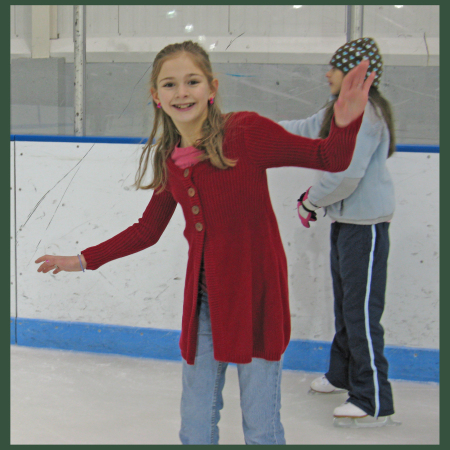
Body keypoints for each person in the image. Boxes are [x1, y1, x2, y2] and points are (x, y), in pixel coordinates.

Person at [36, 40, 374, 444]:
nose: (182, 92)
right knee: (195, 426)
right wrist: (82, 259)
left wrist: (346, 123)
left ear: (211, 87)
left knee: (261, 427)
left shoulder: (245, 132)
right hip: (204, 307)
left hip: (255, 299)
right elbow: (148, 229)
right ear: (156, 96)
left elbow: (329, 158)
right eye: (170, 84)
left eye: (192, 81)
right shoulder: (171, 158)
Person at [279, 37, 396, 427]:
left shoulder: (367, 116)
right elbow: (304, 129)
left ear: (355, 75)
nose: (327, 73)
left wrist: (310, 200)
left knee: (362, 313)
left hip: (366, 228)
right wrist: (250, 130)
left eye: (334, 66)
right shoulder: (336, 110)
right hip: (348, 224)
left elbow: (346, 174)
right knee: (347, 305)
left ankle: (372, 398)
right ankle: (342, 375)